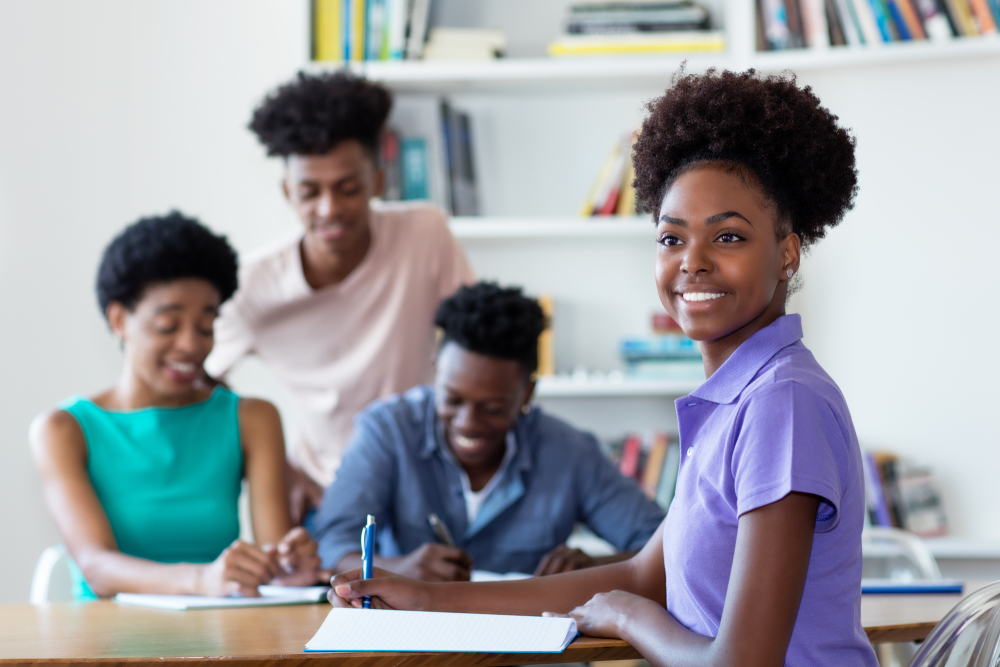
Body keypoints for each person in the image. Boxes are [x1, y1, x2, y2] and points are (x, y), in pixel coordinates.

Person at [328, 70, 880, 666]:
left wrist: (624, 615)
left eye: (727, 237)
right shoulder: (736, 400)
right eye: (672, 239)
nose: (691, 263)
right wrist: (430, 600)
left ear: (787, 253)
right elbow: (646, 573)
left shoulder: (781, 401)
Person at [203, 72, 474, 524]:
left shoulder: (425, 234)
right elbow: (198, 377)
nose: (329, 209)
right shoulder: (253, 284)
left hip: (426, 487)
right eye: (310, 192)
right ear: (288, 191)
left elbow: (474, 339)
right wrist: (281, 469)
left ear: (378, 181)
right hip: (325, 498)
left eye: (348, 188)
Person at [30, 212, 322, 600]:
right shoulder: (63, 430)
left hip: (218, 639)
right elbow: (97, 567)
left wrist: (287, 567)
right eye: (168, 325)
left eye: (206, 325)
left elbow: (274, 559)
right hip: (105, 645)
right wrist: (201, 581)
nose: (191, 345)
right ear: (119, 319)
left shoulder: (252, 418)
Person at [311, 282, 665, 582]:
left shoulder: (569, 452)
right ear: (436, 371)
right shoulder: (387, 432)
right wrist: (395, 569)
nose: (467, 422)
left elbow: (665, 546)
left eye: (492, 408)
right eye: (452, 399)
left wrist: (591, 569)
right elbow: (332, 546)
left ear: (526, 393)